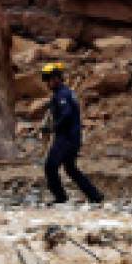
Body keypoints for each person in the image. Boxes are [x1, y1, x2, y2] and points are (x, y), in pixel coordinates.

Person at [40, 62, 103, 204]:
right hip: (73, 137)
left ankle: (60, 197)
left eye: (49, 79)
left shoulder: (62, 94)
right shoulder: (65, 93)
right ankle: (95, 196)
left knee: (50, 166)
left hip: (66, 138)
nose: (48, 83)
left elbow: (66, 114)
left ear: (56, 78)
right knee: (70, 168)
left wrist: (53, 127)